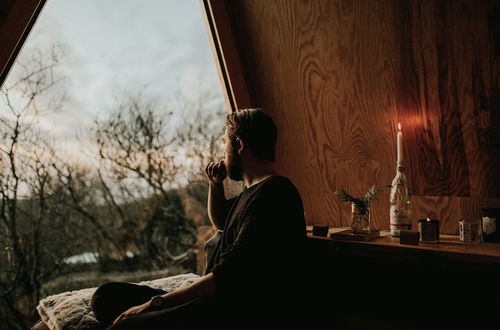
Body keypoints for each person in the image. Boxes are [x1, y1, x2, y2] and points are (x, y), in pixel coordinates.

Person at [90, 108, 307, 330]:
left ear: (239, 144)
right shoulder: (253, 192)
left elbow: (228, 276)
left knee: (126, 326)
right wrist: (215, 184)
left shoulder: (275, 194)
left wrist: (154, 304)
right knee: (105, 296)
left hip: (231, 312)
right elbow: (222, 222)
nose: (223, 154)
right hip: (212, 300)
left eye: (224, 145)